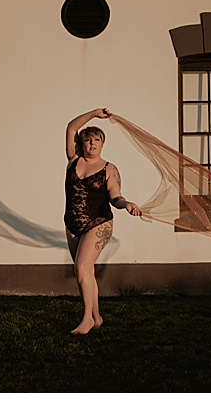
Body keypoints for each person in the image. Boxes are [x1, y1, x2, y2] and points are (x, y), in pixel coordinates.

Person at [64, 108, 141, 335]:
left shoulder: (109, 169)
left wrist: (126, 204)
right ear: (82, 144)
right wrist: (95, 113)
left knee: (81, 268)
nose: (92, 144)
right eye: (87, 140)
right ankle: (97, 317)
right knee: (85, 273)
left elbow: (115, 195)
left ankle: (87, 318)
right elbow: (71, 127)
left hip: (99, 222)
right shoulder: (73, 160)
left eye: (96, 140)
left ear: (102, 143)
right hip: (72, 223)